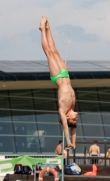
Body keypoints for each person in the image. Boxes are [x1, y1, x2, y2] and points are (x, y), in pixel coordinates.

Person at [39, 16, 78, 149]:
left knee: (49, 53)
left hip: (57, 76)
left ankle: (42, 30)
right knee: (55, 50)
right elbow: (74, 130)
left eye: (73, 119)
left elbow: (67, 129)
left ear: (67, 118)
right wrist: (74, 143)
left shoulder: (63, 111)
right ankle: (48, 29)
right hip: (65, 74)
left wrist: (68, 142)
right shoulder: (72, 106)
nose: (76, 117)